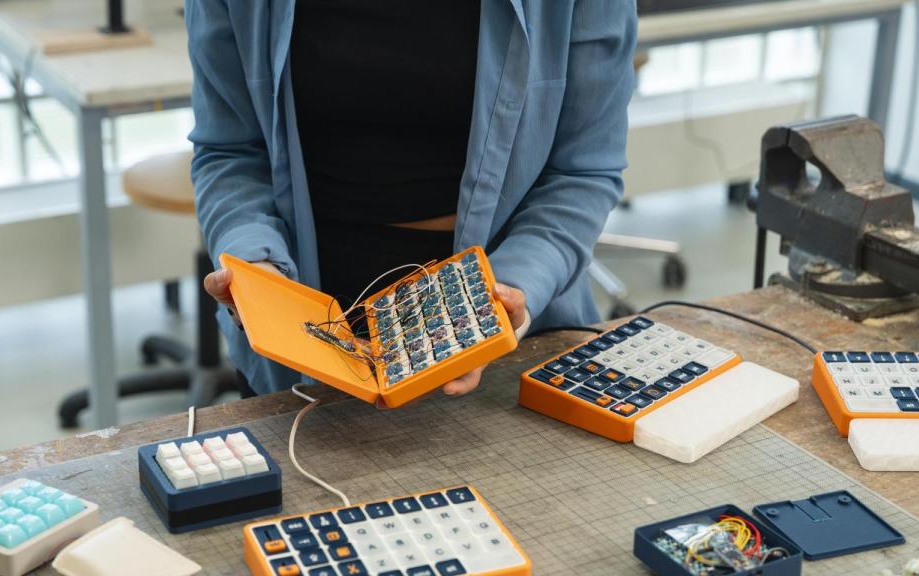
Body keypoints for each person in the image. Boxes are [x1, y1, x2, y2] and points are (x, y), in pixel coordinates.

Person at [186, 0, 637, 398]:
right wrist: (256, 270)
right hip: (306, 332)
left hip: (506, 331)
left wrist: (506, 293)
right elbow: (230, 149)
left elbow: (582, 170)